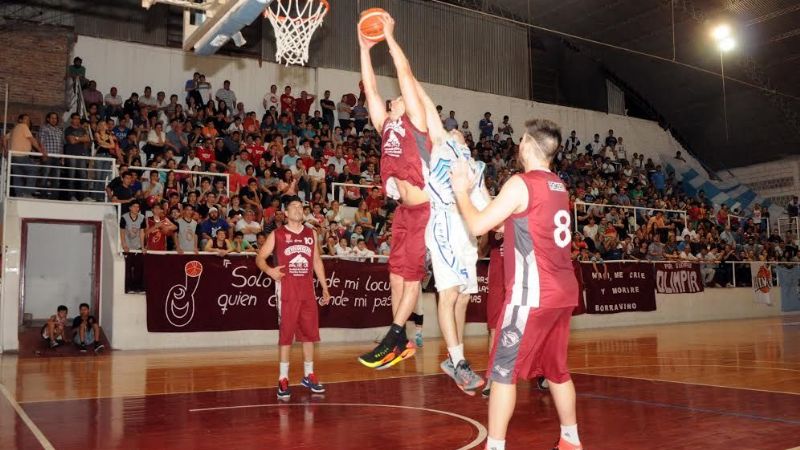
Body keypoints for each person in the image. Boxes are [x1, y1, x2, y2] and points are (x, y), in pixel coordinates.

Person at [452, 118, 583, 450]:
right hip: (564, 291)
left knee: (501, 373)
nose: (517, 144)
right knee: (556, 370)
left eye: (521, 139)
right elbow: (519, 223)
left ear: (527, 144)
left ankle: (495, 446)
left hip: (532, 295)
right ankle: (571, 440)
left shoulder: (520, 183)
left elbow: (479, 224)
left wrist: (460, 191)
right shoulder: (558, 186)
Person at [357, 13, 432, 369]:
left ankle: (395, 333)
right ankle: (399, 339)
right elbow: (370, 89)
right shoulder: (386, 124)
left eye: (400, 97)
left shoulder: (417, 121)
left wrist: (389, 37)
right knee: (395, 274)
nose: (395, 98)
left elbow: (405, 73)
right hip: (404, 210)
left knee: (413, 274)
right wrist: (363, 49)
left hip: (425, 210)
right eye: (393, 100)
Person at [415, 79, 488, 393]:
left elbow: (486, 209)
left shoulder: (476, 167)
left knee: (464, 297)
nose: (456, 131)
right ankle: (458, 362)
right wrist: (409, 77)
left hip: (467, 236)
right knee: (449, 294)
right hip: (444, 224)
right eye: (452, 129)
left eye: (460, 131)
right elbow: (428, 104)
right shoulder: (443, 148)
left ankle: (454, 358)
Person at [255, 196, 331, 400]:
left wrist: (324, 287)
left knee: (309, 334)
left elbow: (316, 261)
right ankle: (283, 377)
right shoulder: (278, 234)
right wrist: (269, 271)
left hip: (307, 290)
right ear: (286, 213)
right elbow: (259, 258)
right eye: (293, 207)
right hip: (287, 290)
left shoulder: (311, 234)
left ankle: (309, 374)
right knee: (286, 335)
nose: (298, 209)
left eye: (300, 206)